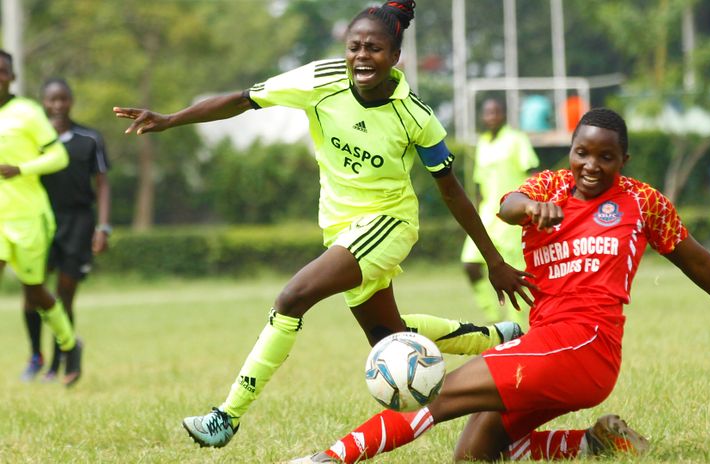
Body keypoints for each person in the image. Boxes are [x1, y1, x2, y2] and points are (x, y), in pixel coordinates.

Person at [113, 0, 533, 449]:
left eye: (374, 48)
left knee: (292, 298)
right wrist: (172, 119)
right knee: (388, 336)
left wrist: (493, 259)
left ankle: (226, 416)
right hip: (339, 226)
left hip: (389, 223)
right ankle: (496, 337)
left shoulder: (416, 116)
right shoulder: (320, 80)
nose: (361, 56)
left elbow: (452, 191)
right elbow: (242, 100)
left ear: (395, 58)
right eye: (354, 46)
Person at [289, 107, 710, 463]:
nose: (590, 165)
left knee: (435, 394)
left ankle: (325, 458)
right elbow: (507, 203)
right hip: (543, 342)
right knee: (473, 455)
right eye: (582, 152)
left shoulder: (643, 202)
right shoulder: (549, 186)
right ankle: (591, 443)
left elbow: (697, 261)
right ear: (572, 149)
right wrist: (531, 208)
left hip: (585, 347)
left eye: (605, 157)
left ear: (623, 162)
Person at [0, 50, 84, 387]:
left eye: (2, 71)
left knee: (35, 292)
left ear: (12, 77)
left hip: (29, 217)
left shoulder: (28, 113)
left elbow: (59, 156)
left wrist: (21, 169)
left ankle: (69, 344)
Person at [22, 78, 111, 383]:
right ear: (42, 103)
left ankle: (62, 359)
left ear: (71, 101)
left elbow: (102, 184)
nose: (57, 105)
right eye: (51, 100)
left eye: (63, 99)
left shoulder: (89, 138)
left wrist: (103, 226)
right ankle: (36, 356)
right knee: (32, 290)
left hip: (78, 222)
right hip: (39, 220)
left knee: (65, 296)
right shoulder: (34, 140)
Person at [461, 98, 539, 326]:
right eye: (487, 112)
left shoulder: (517, 139)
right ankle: (492, 317)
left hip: (512, 214)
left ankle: (516, 324)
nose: (491, 116)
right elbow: (480, 184)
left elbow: (532, 174)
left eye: (496, 112)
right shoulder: (483, 144)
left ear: (503, 114)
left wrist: (531, 208)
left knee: (515, 269)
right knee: (470, 264)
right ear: (483, 117)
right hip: (487, 215)